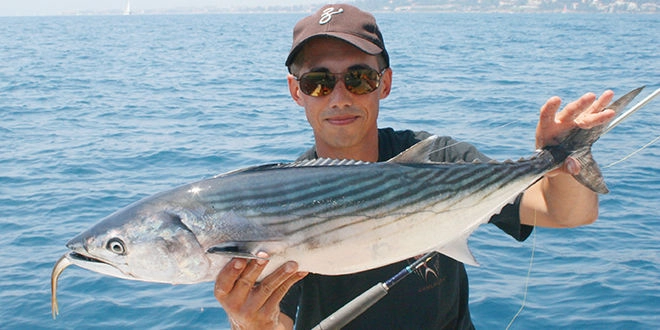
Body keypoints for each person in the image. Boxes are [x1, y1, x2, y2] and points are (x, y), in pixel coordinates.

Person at [213, 4, 616, 329]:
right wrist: (250, 324)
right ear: (295, 92)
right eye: (318, 81)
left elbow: (567, 213)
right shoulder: (276, 200)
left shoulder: (437, 159)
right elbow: (279, 322)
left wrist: (563, 161)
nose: (338, 97)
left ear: (384, 83)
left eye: (358, 79)